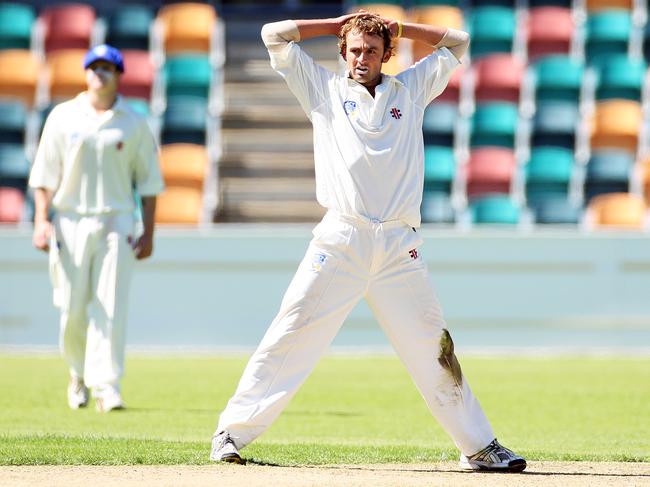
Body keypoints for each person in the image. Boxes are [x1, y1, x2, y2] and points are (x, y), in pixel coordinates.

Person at [209, 13, 526, 472]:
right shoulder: (323, 89)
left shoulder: (410, 90)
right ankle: (230, 434)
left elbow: (458, 43)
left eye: (372, 50)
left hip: (399, 245)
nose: (362, 58)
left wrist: (396, 28)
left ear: (386, 54)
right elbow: (272, 34)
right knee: (292, 330)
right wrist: (341, 22)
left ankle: (478, 446)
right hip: (342, 236)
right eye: (355, 49)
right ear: (343, 51)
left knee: (434, 347)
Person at [28, 44, 164, 413]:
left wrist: (148, 231)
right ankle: (77, 375)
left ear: (119, 75)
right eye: (94, 66)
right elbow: (44, 175)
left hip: (116, 220)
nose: (99, 73)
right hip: (69, 220)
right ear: (86, 73)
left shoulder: (134, 122)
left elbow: (149, 184)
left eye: (107, 67)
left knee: (111, 306)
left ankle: (108, 386)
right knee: (72, 308)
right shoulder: (62, 116)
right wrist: (41, 221)